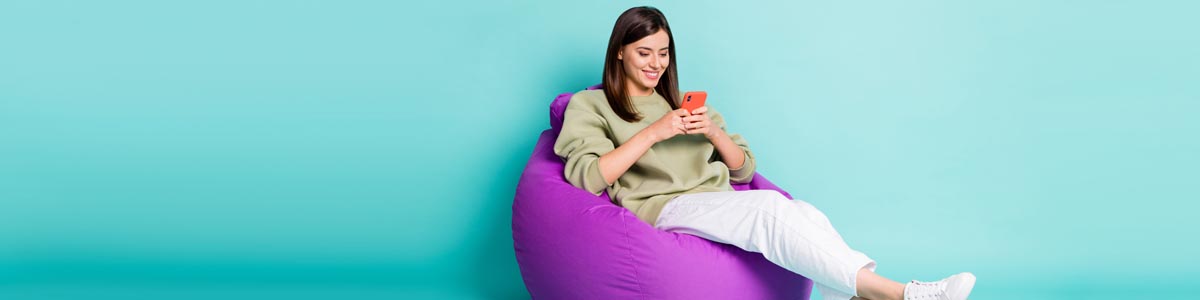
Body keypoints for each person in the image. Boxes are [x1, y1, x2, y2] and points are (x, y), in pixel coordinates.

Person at [553, 6, 976, 300]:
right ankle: (905, 293)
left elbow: (744, 171)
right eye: (644, 53)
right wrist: (654, 134)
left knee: (806, 213)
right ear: (620, 51)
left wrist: (714, 133)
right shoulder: (590, 106)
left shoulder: (684, 101)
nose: (656, 64)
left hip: (716, 200)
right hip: (663, 208)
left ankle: (854, 296)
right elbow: (587, 178)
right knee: (770, 209)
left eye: (663, 53)